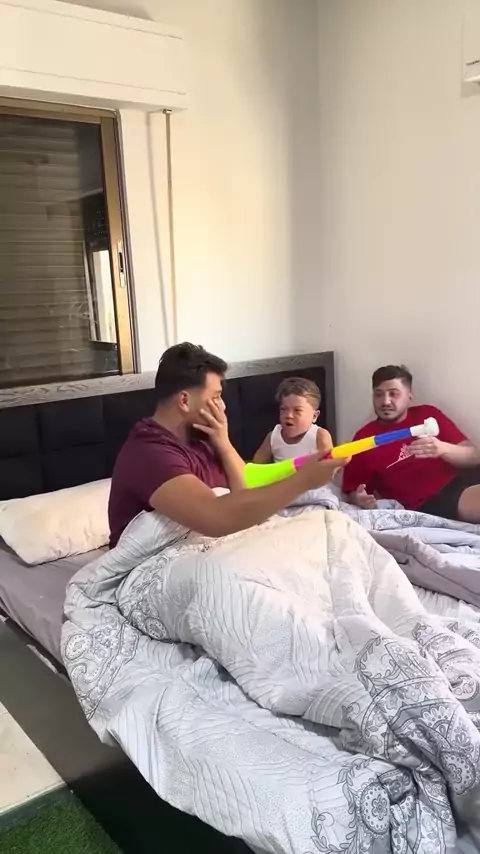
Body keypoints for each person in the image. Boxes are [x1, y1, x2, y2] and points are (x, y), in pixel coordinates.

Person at [108, 343, 344, 546]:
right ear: (184, 400)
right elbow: (216, 517)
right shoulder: (150, 451)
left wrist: (224, 443)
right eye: (216, 397)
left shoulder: (202, 438)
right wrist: (303, 479)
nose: (223, 406)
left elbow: (245, 498)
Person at [342, 364, 480, 522]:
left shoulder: (427, 414)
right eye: (378, 395)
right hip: (431, 501)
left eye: (393, 394)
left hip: (465, 477)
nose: (385, 401)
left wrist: (443, 449)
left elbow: (474, 456)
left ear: (409, 395)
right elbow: (352, 490)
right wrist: (359, 498)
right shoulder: (364, 438)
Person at [253, 377, 332, 463]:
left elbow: (331, 467)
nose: (289, 415)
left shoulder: (319, 436)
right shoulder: (273, 437)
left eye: (297, 410)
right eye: (283, 409)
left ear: (314, 416)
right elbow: (255, 466)